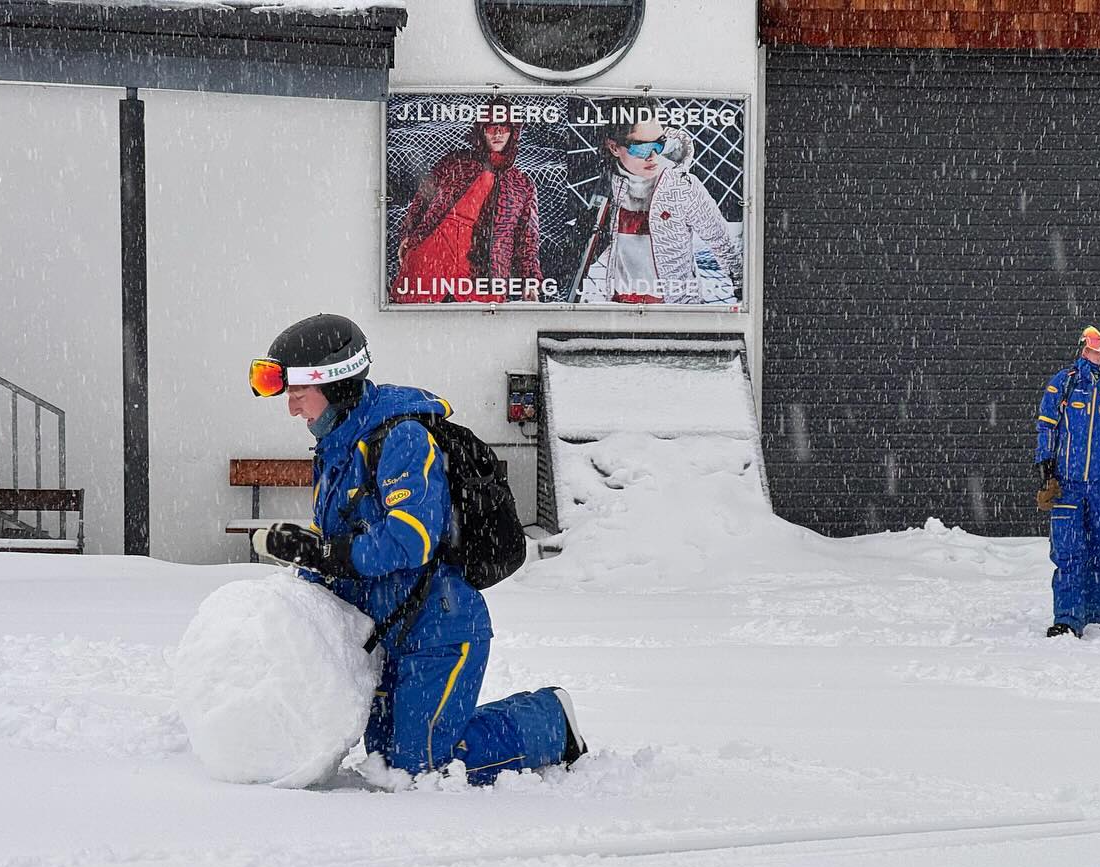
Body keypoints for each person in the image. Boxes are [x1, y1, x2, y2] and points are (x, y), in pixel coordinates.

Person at [247, 313, 585, 784]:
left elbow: (410, 541)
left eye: (299, 393)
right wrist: (303, 570)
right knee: (382, 759)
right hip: (388, 633)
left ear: (336, 384)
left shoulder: (402, 437)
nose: (292, 408)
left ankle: (551, 720)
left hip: (438, 629)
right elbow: (338, 550)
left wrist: (324, 552)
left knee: (419, 766)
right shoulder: (337, 451)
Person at [1034, 324, 1100, 638]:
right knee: (1068, 553)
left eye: (1095, 345)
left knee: (1099, 552)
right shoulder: (1064, 383)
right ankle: (1067, 618)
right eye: (1087, 343)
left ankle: (1097, 615)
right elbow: (1046, 427)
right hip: (1067, 484)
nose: (1086, 348)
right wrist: (1046, 471)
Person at [388, 102, 541, 304]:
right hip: (435, 246)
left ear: (513, 131)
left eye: (503, 127)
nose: (497, 133)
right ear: (481, 130)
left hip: (485, 264)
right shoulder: (455, 162)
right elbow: (422, 200)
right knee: (411, 313)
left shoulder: (521, 185)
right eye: (490, 126)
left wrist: (529, 280)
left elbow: (526, 238)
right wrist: (408, 235)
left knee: (480, 324)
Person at [591, 106, 742, 305]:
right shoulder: (606, 186)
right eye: (641, 147)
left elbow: (720, 239)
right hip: (618, 306)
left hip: (675, 309)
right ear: (614, 148)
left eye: (660, 144)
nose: (653, 155)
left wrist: (741, 282)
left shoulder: (683, 186)